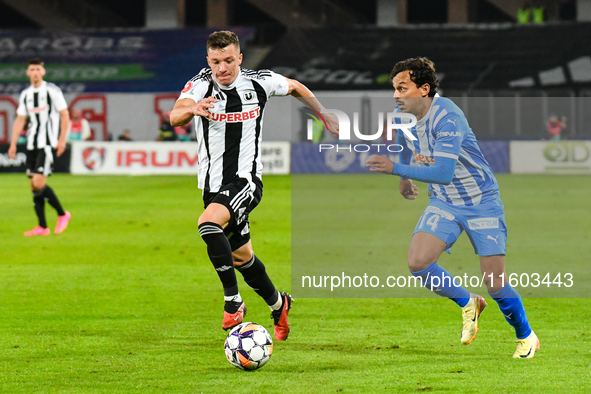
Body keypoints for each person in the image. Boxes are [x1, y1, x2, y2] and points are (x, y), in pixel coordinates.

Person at [365, 57, 539, 358]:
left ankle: (526, 336)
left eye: (402, 88)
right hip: (445, 201)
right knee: (419, 262)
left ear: (424, 89)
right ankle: (469, 302)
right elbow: (406, 143)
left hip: (481, 202)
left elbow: (444, 172)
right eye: (394, 88)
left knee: (495, 283)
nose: (396, 95)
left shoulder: (448, 117)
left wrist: (394, 168)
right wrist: (405, 176)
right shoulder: (402, 114)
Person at [170, 31, 337, 340]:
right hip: (212, 187)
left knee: (208, 225)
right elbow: (175, 114)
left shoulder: (259, 81)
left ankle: (233, 302)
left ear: (240, 59)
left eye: (229, 61)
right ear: (208, 61)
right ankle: (278, 303)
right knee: (241, 257)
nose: (223, 68)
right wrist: (192, 109)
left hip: (246, 180)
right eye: (216, 61)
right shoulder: (200, 85)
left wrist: (322, 111)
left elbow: (295, 86)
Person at [8, 58, 71, 236]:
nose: (35, 72)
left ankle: (62, 214)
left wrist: (61, 139)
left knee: (38, 182)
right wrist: (13, 143)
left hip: (47, 142)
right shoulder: (26, 94)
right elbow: (20, 119)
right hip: (31, 143)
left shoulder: (52, 91)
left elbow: (64, 115)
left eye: (38, 69)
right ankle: (42, 227)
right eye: (32, 69)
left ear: (43, 72)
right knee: (34, 186)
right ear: (28, 73)